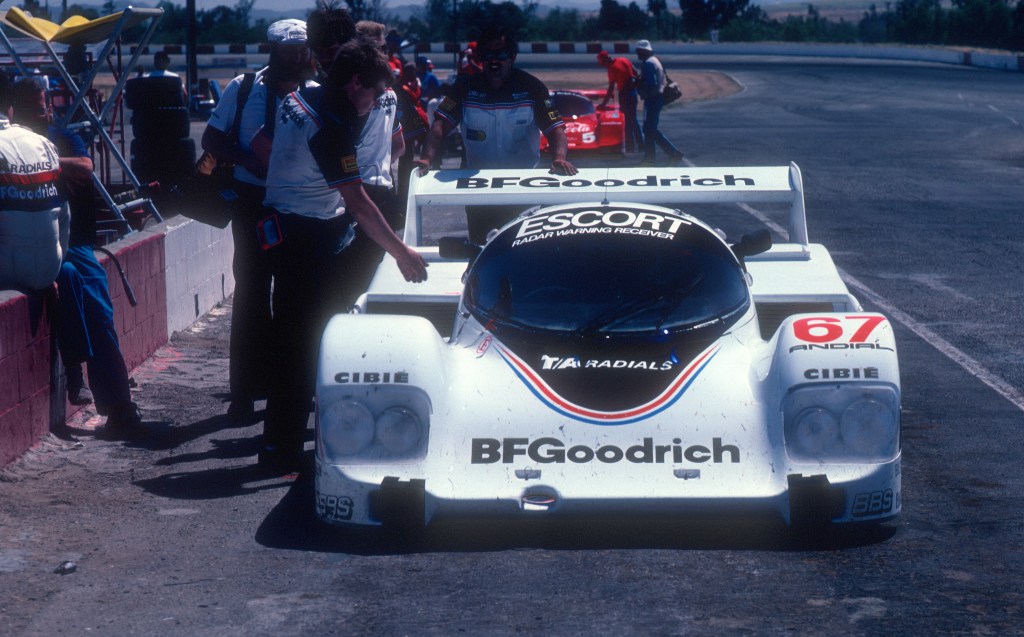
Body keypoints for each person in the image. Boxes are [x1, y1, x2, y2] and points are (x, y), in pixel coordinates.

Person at [259, 41, 428, 472]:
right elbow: (357, 203)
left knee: (295, 336)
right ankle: (281, 450)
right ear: (356, 85)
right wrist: (402, 252)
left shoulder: (304, 92)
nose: (372, 105)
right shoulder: (331, 123)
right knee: (304, 340)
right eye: (372, 95)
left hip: (285, 221)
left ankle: (283, 444)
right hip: (303, 231)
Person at [9, 78, 143, 437]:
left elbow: (84, 167)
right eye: (38, 107)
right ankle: (75, 377)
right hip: (32, 243)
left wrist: (46, 158)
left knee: (98, 308)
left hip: (75, 240)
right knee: (65, 279)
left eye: (47, 104)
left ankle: (119, 408)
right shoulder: (11, 145)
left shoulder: (61, 136)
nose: (46, 111)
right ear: (15, 110)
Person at [201, 18, 316, 425]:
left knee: (296, 298)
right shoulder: (243, 88)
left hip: (300, 206)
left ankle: (292, 386)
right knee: (251, 292)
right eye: (288, 52)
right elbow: (211, 141)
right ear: (272, 51)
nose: (297, 60)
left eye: (303, 52)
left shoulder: (318, 92)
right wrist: (249, 159)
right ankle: (244, 393)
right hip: (253, 203)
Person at [414, 25, 577, 244]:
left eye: (500, 55)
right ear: (480, 58)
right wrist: (426, 159)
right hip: (479, 191)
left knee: (524, 251)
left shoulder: (532, 87)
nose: (494, 61)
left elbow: (556, 129)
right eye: (488, 55)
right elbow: (440, 125)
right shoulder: (464, 87)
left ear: (512, 57)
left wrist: (559, 158)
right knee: (482, 252)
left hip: (524, 189)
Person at [327, 20, 406, 312]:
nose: (381, 54)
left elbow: (398, 145)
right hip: (354, 190)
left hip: (374, 188)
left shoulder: (388, 94)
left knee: (370, 271)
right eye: (374, 48)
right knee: (351, 272)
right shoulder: (351, 95)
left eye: (383, 47)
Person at [0, 72, 67, 294]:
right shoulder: (45, 144)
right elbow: (65, 219)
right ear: (10, 107)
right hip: (51, 270)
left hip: (7, 275)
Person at [635, 39, 683, 166]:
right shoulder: (655, 60)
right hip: (656, 97)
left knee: (650, 129)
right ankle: (649, 158)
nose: (637, 54)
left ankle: (673, 153)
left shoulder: (648, 63)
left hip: (653, 98)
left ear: (644, 51)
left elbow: (652, 83)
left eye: (638, 51)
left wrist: (639, 84)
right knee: (648, 129)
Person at [597, 50, 643, 154]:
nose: (603, 66)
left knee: (626, 122)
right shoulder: (623, 59)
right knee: (634, 120)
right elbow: (636, 73)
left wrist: (603, 104)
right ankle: (641, 145)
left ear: (605, 60)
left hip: (625, 95)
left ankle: (630, 147)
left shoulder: (612, 68)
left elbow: (611, 89)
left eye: (602, 64)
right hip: (633, 93)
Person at [306, 2, 356, 79]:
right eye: (319, 52)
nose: (324, 59)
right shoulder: (313, 88)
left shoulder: (373, 85)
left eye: (331, 51)